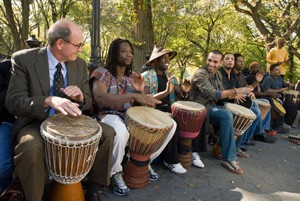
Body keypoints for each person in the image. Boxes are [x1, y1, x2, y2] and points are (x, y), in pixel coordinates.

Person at [4, 19, 115, 201]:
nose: (80, 50)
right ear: (60, 43)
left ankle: (94, 188)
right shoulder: (24, 59)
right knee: (30, 146)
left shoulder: (79, 65)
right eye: (77, 45)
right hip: (37, 122)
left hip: (71, 121)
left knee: (108, 133)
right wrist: (47, 100)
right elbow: (13, 102)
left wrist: (80, 98)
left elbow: (87, 102)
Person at [90, 38, 177, 196]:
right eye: (124, 51)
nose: (129, 55)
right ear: (114, 53)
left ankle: (142, 161)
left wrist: (151, 92)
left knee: (170, 125)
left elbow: (143, 100)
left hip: (130, 116)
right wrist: (133, 96)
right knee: (121, 131)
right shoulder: (102, 73)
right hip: (108, 115)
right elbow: (100, 98)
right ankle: (115, 173)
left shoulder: (134, 76)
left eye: (130, 52)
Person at [142, 44, 204, 174]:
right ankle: (171, 161)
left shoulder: (170, 75)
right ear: (155, 61)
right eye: (162, 58)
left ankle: (192, 152)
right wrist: (165, 92)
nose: (167, 61)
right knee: (172, 120)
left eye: (168, 58)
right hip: (152, 111)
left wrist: (185, 92)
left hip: (169, 109)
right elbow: (146, 98)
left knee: (197, 115)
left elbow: (180, 95)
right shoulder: (146, 76)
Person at [189, 50, 253, 175]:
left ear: (220, 63)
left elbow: (222, 93)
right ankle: (229, 158)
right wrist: (236, 90)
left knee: (233, 113)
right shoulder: (200, 73)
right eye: (209, 60)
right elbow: (213, 94)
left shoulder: (217, 74)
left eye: (215, 61)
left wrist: (239, 94)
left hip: (211, 106)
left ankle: (229, 151)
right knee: (226, 114)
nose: (211, 64)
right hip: (198, 107)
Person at [233, 54, 276, 144]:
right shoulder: (241, 76)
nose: (242, 63)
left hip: (244, 98)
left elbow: (248, 88)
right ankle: (258, 133)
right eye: (239, 61)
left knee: (266, 103)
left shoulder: (241, 75)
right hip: (235, 100)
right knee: (256, 109)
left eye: (242, 62)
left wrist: (256, 82)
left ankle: (261, 130)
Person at [261, 63, 292, 133]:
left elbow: (285, 84)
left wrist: (287, 84)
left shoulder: (280, 78)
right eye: (277, 70)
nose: (279, 71)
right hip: (268, 97)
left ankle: (280, 124)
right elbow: (266, 90)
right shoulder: (268, 78)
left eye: (279, 69)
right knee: (280, 103)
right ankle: (278, 125)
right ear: (271, 71)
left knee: (284, 103)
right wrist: (280, 90)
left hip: (278, 97)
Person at [0, 59, 15, 194]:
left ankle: (5, 193)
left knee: (3, 167)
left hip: (3, 120)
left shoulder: (7, 67)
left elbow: (9, 101)